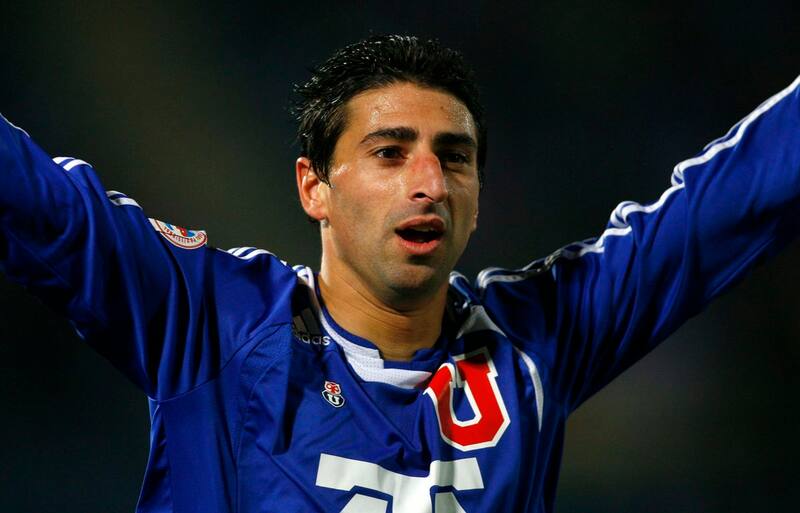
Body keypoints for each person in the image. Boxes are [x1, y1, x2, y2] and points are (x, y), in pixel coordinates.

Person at [1, 34, 798, 513]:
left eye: (455, 159)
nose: (429, 183)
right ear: (314, 185)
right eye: (390, 153)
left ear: (479, 198)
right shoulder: (210, 321)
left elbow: (723, 206)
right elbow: (40, 204)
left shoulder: (536, 344)